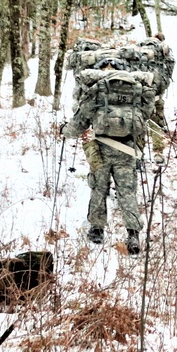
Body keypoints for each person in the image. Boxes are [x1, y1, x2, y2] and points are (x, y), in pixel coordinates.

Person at [62, 56, 151, 256]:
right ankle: (133, 234)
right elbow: (147, 113)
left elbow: (82, 119)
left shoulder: (99, 89)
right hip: (127, 149)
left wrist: (65, 131)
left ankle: (97, 230)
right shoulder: (136, 90)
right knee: (127, 191)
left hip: (101, 147)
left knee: (98, 188)